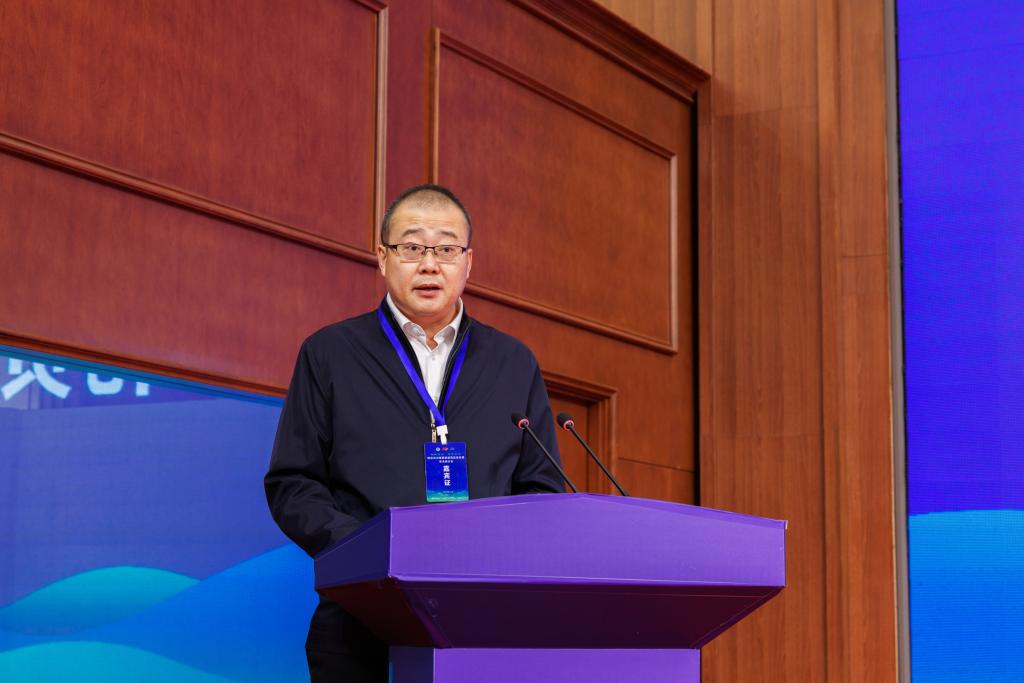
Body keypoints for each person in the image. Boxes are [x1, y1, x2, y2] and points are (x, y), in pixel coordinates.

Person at [265, 183, 565, 682]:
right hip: (360, 617)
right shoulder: (330, 353)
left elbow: (541, 489)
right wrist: (371, 550)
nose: (429, 265)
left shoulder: (513, 362)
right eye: (411, 247)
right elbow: (293, 483)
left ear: (468, 262)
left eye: (446, 249)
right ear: (382, 257)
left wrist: (495, 556)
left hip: (482, 617)